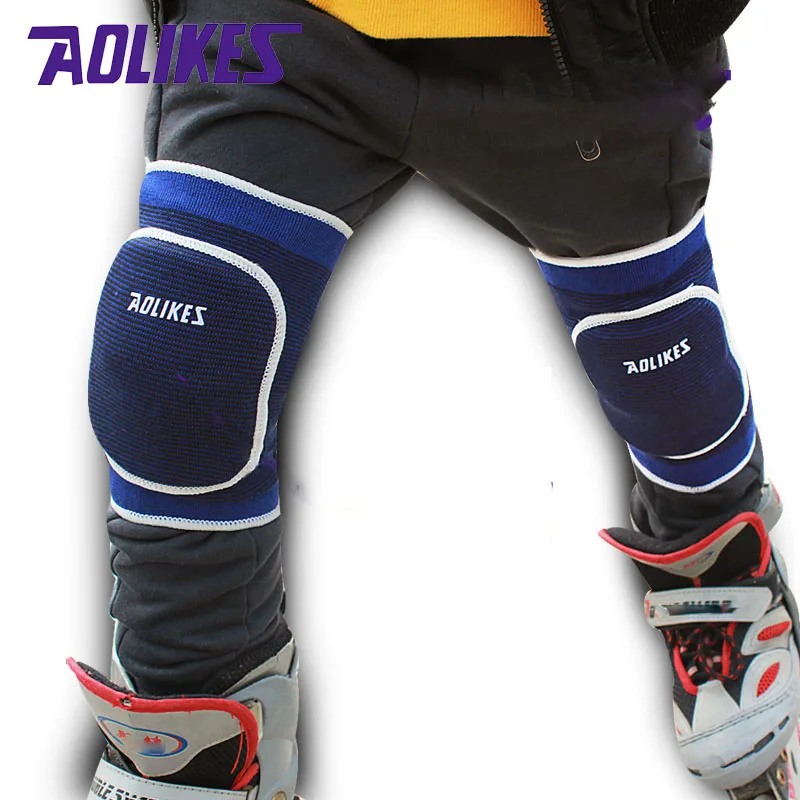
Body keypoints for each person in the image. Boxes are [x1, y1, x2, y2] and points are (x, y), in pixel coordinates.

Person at [70, 1, 800, 798]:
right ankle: (192, 731)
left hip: (561, 43)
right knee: (176, 350)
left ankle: (717, 553)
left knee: (661, 364)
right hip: (289, 27)